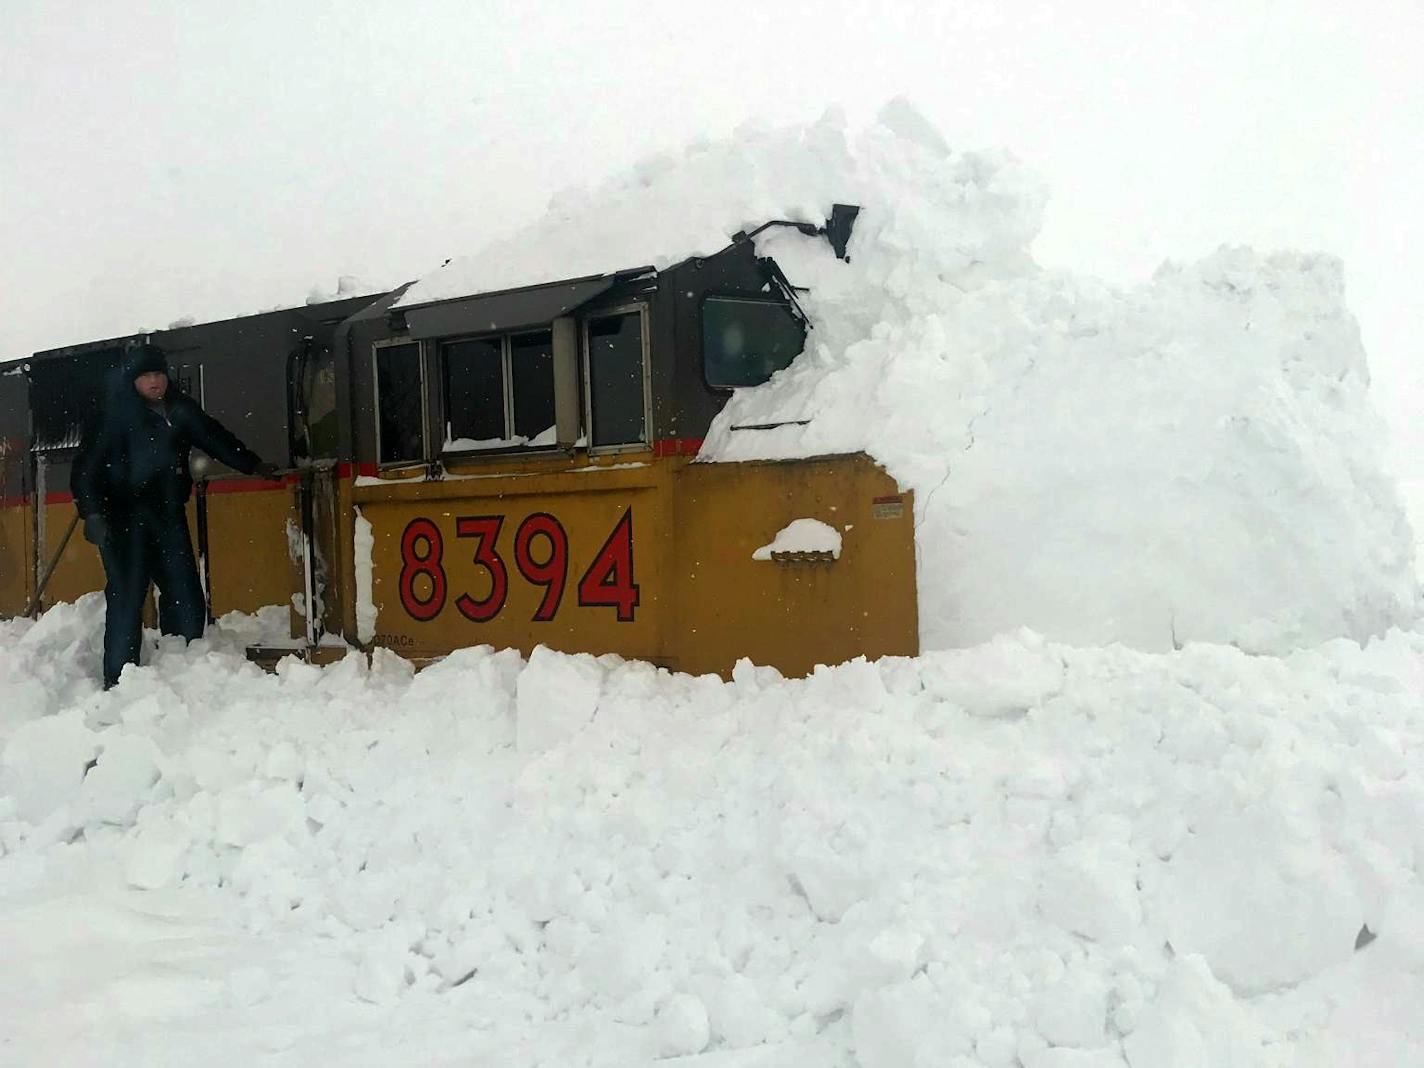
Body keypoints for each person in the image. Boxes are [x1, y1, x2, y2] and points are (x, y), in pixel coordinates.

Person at [71, 342, 279, 688]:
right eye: (146, 376)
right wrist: (91, 513)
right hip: (122, 520)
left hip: (167, 515)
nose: (155, 382)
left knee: (184, 590)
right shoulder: (113, 416)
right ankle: (120, 680)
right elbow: (85, 470)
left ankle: (185, 670)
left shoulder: (179, 410)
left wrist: (253, 464)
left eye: (159, 374)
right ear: (132, 381)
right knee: (127, 596)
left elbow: (214, 437)